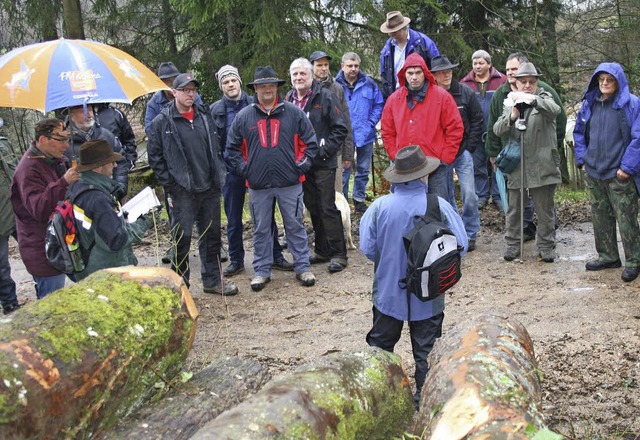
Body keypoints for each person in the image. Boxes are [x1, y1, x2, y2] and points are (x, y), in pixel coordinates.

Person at [359, 145, 467, 406]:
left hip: (387, 293)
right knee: (427, 351)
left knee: (381, 349)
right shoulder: (438, 205)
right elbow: (460, 244)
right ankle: (426, 401)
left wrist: (389, 260)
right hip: (429, 294)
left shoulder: (379, 207)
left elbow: (367, 248)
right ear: (423, 175)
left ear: (397, 176)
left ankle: (382, 400)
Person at [227, 66, 318, 291]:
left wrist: (301, 167)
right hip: (258, 185)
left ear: (277, 87)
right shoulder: (244, 116)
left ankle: (303, 267)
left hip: (290, 183)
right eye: (262, 86)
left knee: (295, 225)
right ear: (255, 88)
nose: (267, 89)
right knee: (260, 229)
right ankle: (262, 270)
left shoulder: (293, 113)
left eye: (271, 85)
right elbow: (232, 149)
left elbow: (311, 143)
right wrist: (246, 169)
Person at [148, 73, 238, 296]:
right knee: (182, 239)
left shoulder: (203, 114)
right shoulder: (163, 121)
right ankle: (180, 286)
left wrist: (219, 174)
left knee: (212, 236)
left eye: (193, 90)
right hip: (182, 192)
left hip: (209, 187)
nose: (190, 94)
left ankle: (213, 280)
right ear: (174, 92)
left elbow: (215, 146)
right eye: (185, 90)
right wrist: (171, 184)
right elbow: (155, 157)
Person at [210, 64, 293, 277]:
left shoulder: (254, 103)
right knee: (233, 217)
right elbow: (214, 145)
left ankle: (275, 255)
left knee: (266, 216)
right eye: (226, 82)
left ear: (240, 82)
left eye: (233, 80)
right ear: (222, 86)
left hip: (259, 170)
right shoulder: (215, 111)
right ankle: (237, 259)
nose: (230, 85)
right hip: (231, 171)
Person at [485, 52, 567, 240]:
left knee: (544, 209)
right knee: (514, 210)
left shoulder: (544, 94)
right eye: (523, 81)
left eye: (532, 81)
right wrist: (512, 116)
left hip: (542, 162)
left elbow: (555, 112)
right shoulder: (507, 100)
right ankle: (512, 244)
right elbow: (496, 128)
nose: (527, 85)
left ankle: (546, 245)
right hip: (517, 163)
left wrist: (535, 101)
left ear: (536, 82)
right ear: (516, 81)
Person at [573, 63, 640, 282]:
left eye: (609, 80)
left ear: (618, 81)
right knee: (600, 217)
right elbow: (579, 133)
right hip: (594, 171)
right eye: (601, 80)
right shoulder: (589, 104)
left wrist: (627, 168)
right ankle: (608, 256)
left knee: (627, 218)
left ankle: (634, 261)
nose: (604, 84)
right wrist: (583, 160)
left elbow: (638, 138)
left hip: (620, 173)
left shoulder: (631, 104)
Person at [285, 58, 349, 273]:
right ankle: (322, 249)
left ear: (311, 76)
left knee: (327, 206)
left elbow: (340, 129)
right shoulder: (288, 100)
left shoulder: (325, 96)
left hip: (323, 162)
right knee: (312, 206)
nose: (299, 78)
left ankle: (339, 253)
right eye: (295, 74)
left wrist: (323, 151)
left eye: (303, 74)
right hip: (301, 163)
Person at [10, 118, 80, 299]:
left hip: (64, 242)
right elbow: (40, 210)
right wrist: (64, 182)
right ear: (43, 140)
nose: (66, 145)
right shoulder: (28, 169)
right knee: (51, 303)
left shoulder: (55, 159)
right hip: (43, 248)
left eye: (67, 139)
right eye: (61, 140)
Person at [380, 52, 464, 200]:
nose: (414, 77)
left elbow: (455, 128)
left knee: (438, 209)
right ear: (404, 74)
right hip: (404, 166)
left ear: (425, 73)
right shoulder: (394, 100)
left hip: (435, 166)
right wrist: (395, 155)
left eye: (418, 72)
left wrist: (445, 158)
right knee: (405, 210)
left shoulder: (441, 96)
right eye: (410, 73)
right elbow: (387, 131)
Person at [66, 140, 153, 281]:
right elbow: (118, 240)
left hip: (89, 267)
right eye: (111, 162)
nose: (115, 165)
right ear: (99, 167)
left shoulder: (78, 187)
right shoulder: (98, 198)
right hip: (106, 272)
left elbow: (100, 225)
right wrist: (144, 222)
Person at [431, 55, 484, 252]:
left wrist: (470, 147)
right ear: (434, 75)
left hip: (462, 152)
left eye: (449, 71)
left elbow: (477, 120)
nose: (446, 75)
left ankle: (470, 233)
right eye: (441, 72)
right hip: (441, 155)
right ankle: (454, 232)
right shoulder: (430, 95)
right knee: (446, 198)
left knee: (470, 194)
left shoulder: (465, 92)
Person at [335, 51, 385, 213]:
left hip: (365, 134)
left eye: (356, 66)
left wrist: (371, 123)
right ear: (342, 66)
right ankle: (342, 201)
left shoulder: (369, 84)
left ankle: (359, 199)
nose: (353, 69)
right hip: (344, 136)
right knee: (343, 170)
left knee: (363, 170)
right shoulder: (335, 85)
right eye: (349, 66)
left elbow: (379, 104)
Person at [459, 50, 507, 211]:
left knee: (498, 164)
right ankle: (481, 196)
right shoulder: (465, 84)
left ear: (489, 64)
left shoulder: (501, 81)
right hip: (475, 130)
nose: (477, 66)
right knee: (477, 165)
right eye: (475, 63)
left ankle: (499, 196)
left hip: (497, 130)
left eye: (481, 63)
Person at [309, 50, 354, 193]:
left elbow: (345, 122)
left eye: (326, 65)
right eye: (319, 65)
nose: (323, 68)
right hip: (309, 152)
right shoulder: (304, 89)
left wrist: (348, 155)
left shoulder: (337, 89)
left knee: (335, 196)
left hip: (334, 152)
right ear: (311, 67)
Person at [66, 104, 129, 201]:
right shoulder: (65, 144)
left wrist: (120, 188)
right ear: (72, 116)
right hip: (82, 200)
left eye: (90, 110)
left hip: (111, 195)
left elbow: (121, 161)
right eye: (83, 112)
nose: (89, 115)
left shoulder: (106, 135)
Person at [379, 11, 440, 100]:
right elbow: (385, 78)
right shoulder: (386, 50)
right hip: (397, 98)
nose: (391, 34)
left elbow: (436, 69)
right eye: (390, 32)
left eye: (395, 31)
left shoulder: (423, 42)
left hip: (423, 96)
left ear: (404, 28)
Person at [144, 62, 203, 135]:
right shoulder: (154, 103)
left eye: (175, 79)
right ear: (161, 83)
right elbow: (150, 130)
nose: (172, 83)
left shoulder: (192, 96)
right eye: (168, 81)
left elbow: (202, 120)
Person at [0, 120, 20, 314]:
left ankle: (45, 292)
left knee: (38, 253)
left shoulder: (4, 143)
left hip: (16, 210)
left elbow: (15, 175)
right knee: (1, 267)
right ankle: (10, 304)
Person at [95, 103, 138, 171]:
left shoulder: (116, 114)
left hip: (118, 167)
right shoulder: (80, 119)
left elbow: (129, 140)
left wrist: (129, 163)